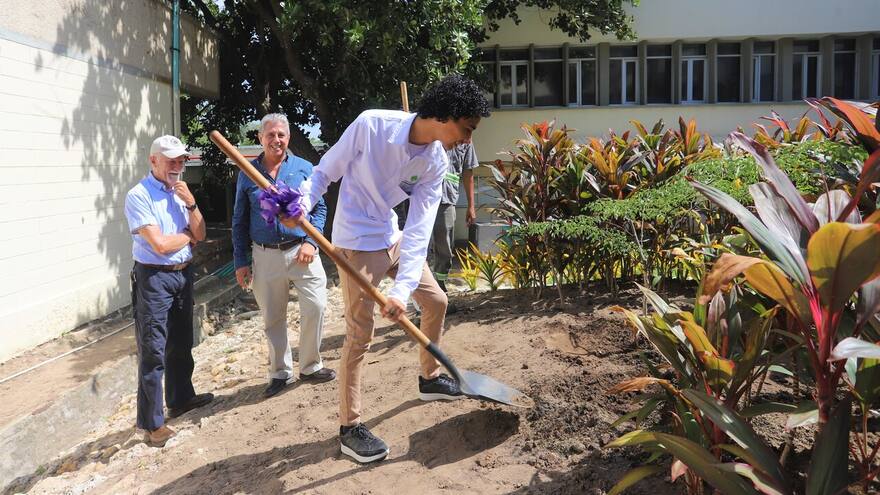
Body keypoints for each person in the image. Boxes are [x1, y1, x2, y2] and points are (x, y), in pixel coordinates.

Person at [296, 74, 491, 463]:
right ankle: (350, 428)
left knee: (435, 301)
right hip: (355, 242)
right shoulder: (372, 126)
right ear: (447, 114)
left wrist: (401, 292)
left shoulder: (436, 161)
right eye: (467, 129)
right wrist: (300, 204)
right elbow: (324, 172)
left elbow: (418, 231)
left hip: (391, 235)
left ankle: (429, 378)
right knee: (360, 335)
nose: (468, 140)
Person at [232, 113, 336, 399]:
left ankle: (311, 366)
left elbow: (320, 208)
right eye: (270, 135)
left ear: (288, 138)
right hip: (264, 254)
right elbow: (239, 220)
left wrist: (312, 243)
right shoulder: (247, 172)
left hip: (302, 250)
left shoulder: (304, 168)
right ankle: (280, 372)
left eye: (281, 135)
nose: (276, 140)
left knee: (316, 306)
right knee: (272, 317)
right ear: (260, 138)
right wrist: (241, 261)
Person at [124, 135, 214, 447]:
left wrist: (192, 204)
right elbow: (160, 245)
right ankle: (152, 425)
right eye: (170, 160)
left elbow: (201, 232)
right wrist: (188, 235)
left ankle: (181, 399)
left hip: (182, 274)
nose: (177, 166)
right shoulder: (139, 195)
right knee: (153, 350)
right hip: (154, 278)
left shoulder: (181, 193)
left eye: (181, 160)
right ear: (153, 161)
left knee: (181, 341)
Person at [429, 142, 478, 294]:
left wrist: (471, 205)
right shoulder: (433, 131)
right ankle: (419, 285)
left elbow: (468, 172)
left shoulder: (467, 141)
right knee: (417, 242)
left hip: (447, 198)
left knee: (445, 243)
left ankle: (440, 282)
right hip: (422, 196)